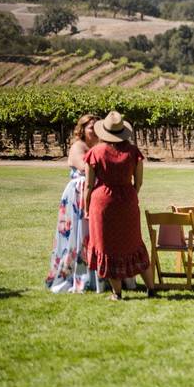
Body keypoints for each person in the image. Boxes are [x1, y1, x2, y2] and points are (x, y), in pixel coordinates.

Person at [84, 111, 155, 300]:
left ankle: (117, 293)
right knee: (134, 245)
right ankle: (151, 288)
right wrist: (130, 196)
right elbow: (138, 182)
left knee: (108, 248)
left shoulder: (95, 152)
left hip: (102, 203)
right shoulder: (133, 152)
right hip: (128, 201)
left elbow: (89, 185)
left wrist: (86, 206)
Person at [45, 113, 101, 293]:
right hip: (78, 195)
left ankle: (96, 276)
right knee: (78, 235)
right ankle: (76, 276)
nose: (94, 131)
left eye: (97, 127)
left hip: (92, 192)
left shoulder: (97, 146)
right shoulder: (79, 146)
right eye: (91, 128)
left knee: (93, 235)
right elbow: (85, 168)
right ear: (83, 130)